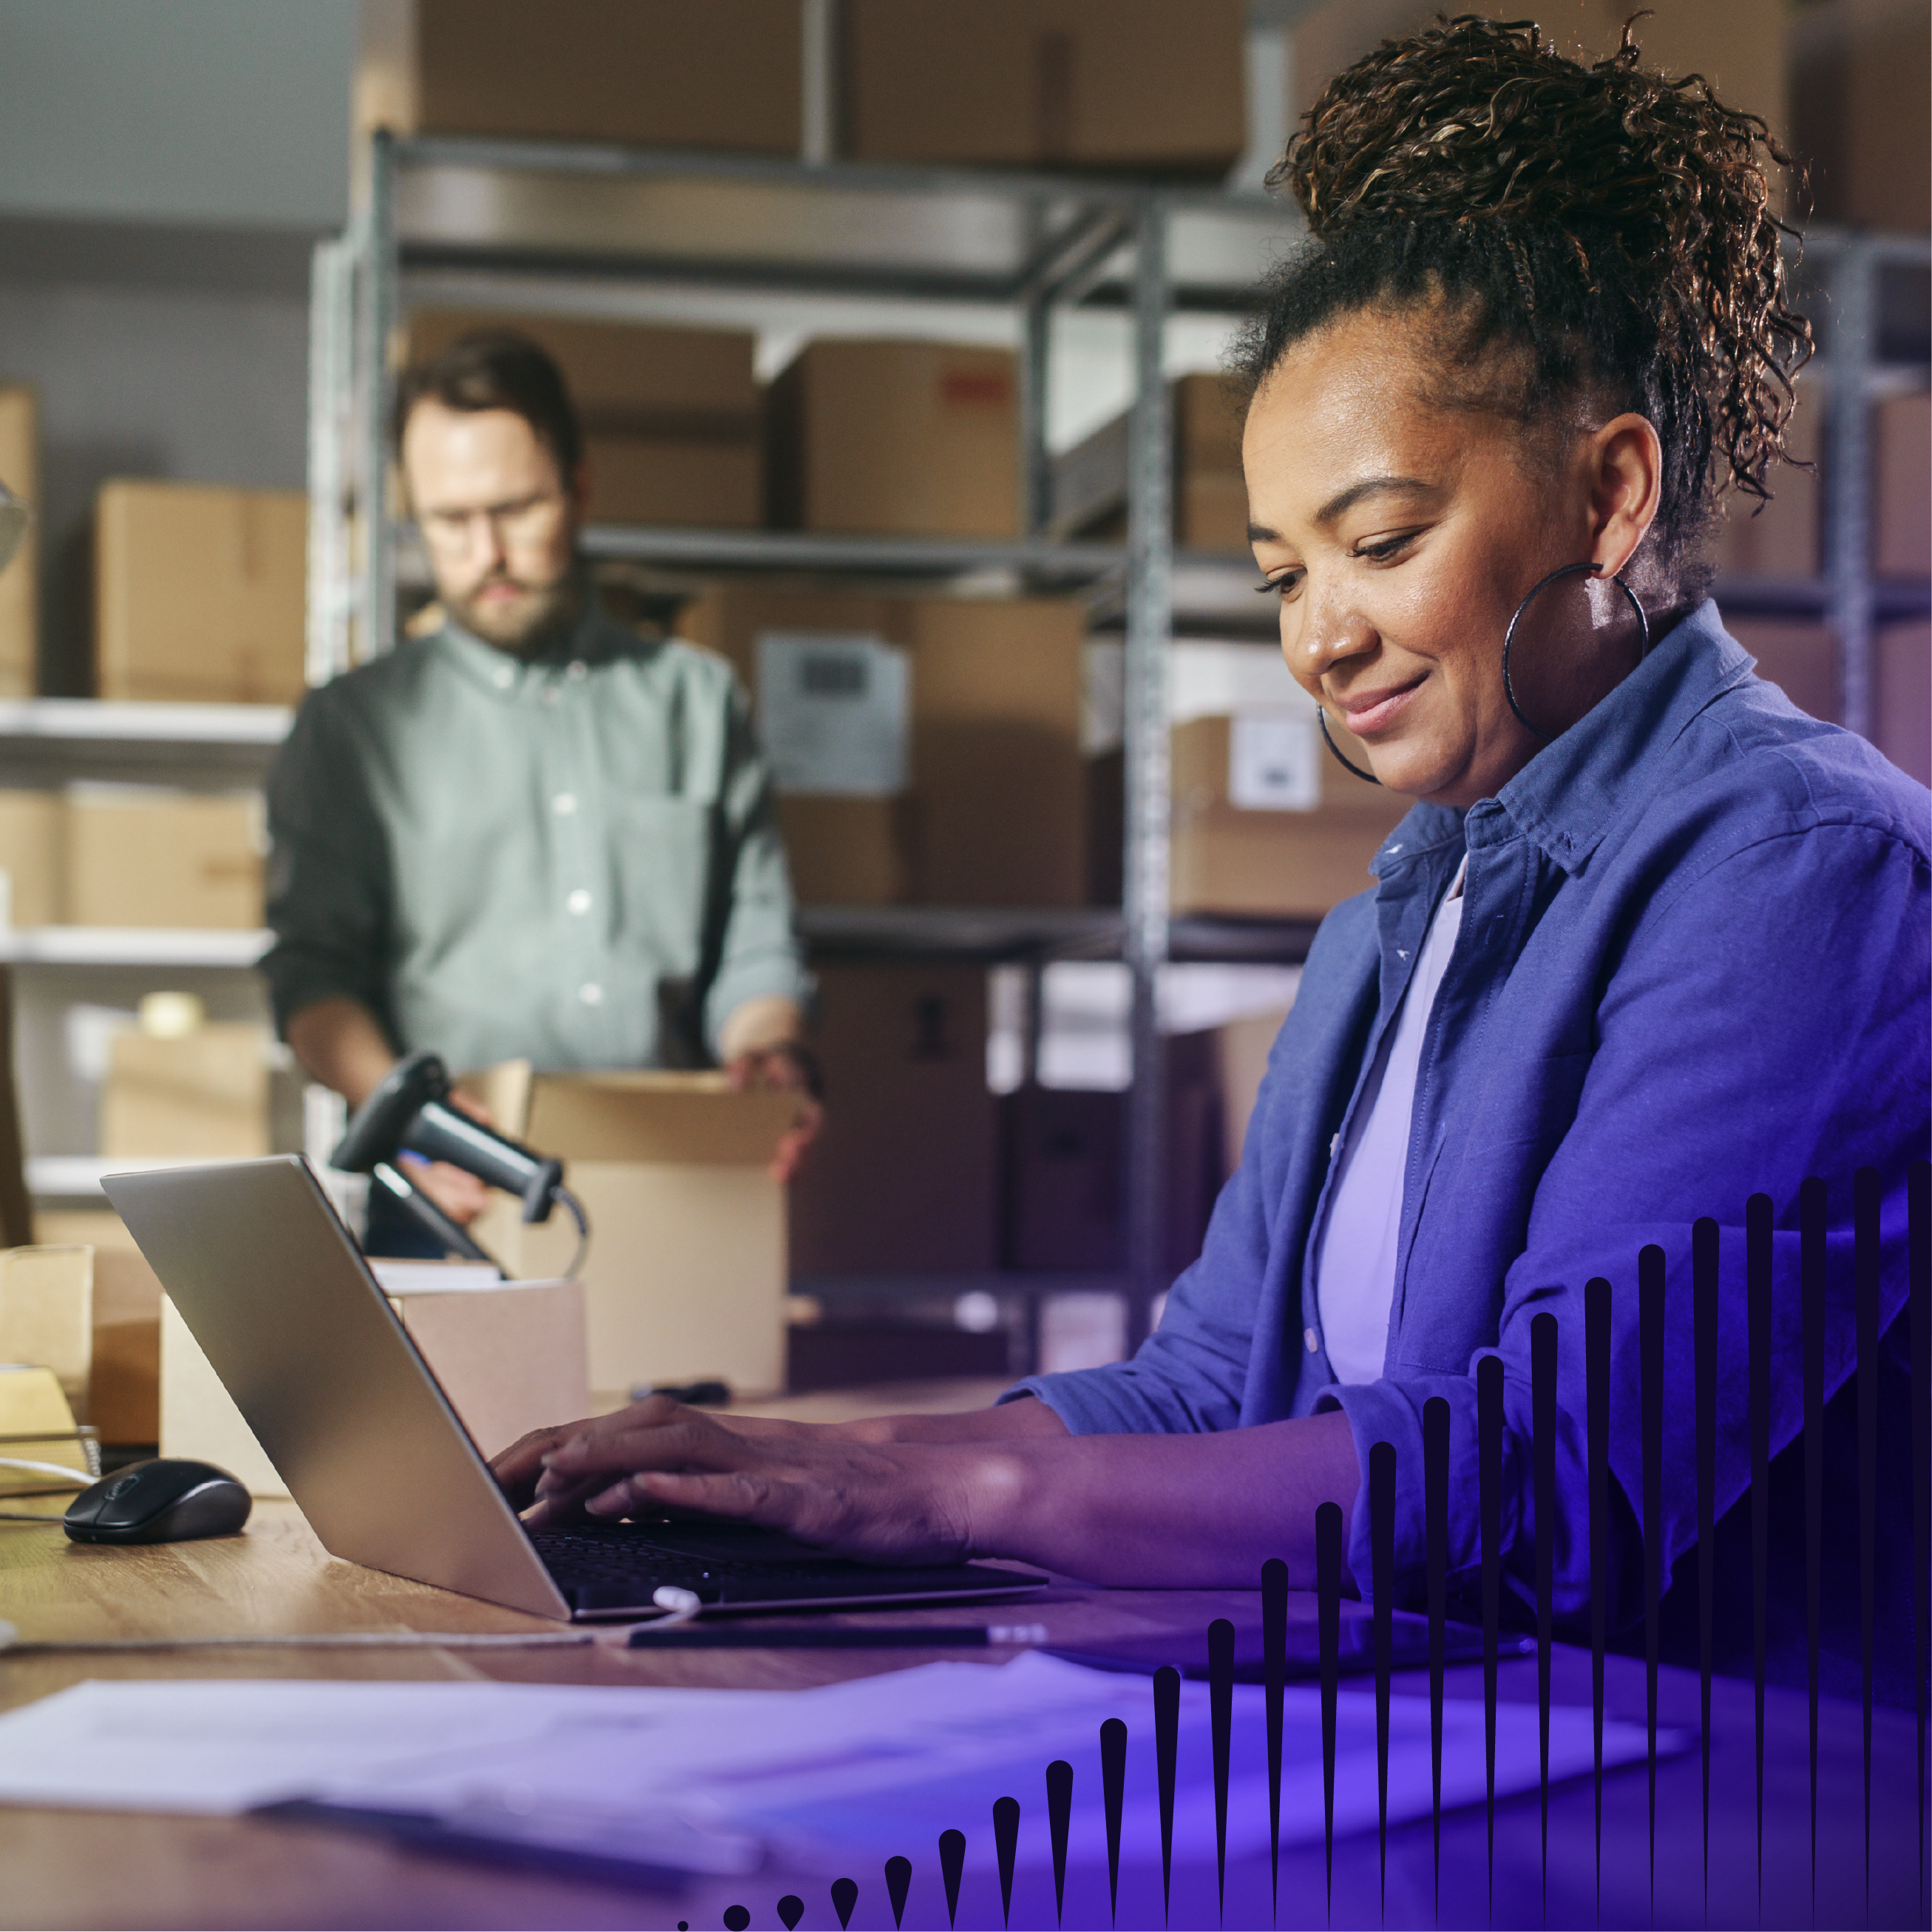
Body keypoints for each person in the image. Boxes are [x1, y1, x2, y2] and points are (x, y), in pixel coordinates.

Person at [494, 20, 1930, 1695]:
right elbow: (1208, 1383)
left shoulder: (1803, 874)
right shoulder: (1404, 910)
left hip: (1718, 1809)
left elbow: (1548, 1474)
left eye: (1380, 542)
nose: (1320, 636)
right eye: (1279, 575)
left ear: (1612, 491)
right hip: (1436, 1735)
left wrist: (953, 1487)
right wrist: (808, 1460)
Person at [264, 331, 819, 1243]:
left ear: (580, 488)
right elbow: (312, 979)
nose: (486, 553)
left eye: (516, 509)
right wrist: (409, 1116)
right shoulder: (349, 728)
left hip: (677, 1199)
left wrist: (770, 1053)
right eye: (448, 520)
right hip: (456, 1202)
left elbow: (757, 948)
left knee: (695, 1393)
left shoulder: (698, 700)